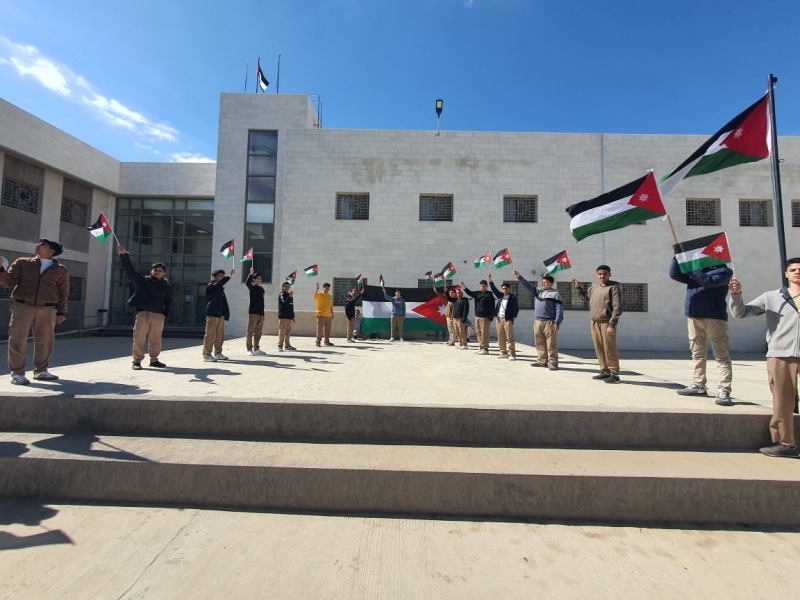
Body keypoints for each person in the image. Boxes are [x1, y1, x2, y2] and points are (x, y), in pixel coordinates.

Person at [728, 261, 800, 458]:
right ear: (786, 274)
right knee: (782, 402)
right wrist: (736, 295)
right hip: (781, 354)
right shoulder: (773, 297)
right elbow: (740, 312)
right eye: (793, 270)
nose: (797, 272)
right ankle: (787, 444)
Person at [0, 239, 69, 384]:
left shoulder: (61, 270)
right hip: (23, 306)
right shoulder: (22, 262)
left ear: (51, 251)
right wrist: (1, 270)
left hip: (48, 309)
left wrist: (61, 312)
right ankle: (17, 374)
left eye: (42, 245)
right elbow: (9, 282)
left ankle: (41, 371)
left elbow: (63, 292)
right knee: (17, 339)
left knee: (45, 341)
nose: (37, 246)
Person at [669, 258, 734, 405]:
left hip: (714, 317)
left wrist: (692, 267)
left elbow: (707, 281)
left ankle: (724, 389)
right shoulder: (697, 272)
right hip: (693, 316)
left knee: (721, 355)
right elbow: (674, 274)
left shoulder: (724, 271)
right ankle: (698, 384)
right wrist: (677, 258)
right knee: (697, 353)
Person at [118, 245, 172, 370]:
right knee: (139, 338)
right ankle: (137, 361)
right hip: (143, 313)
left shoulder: (166, 286)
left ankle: (154, 360)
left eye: (160, 271)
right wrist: (124, 255)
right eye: (155, 270)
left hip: (158, 315)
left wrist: (165, 314)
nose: (157, 272)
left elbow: (168, 301)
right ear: (151, 271)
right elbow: (130, 271)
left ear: (163, 273)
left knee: (156, 339)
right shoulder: (143, 281)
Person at [572, 265, 623, 383]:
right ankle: (605, 371)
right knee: (599, 348)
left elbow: (617, 308)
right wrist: (578, 288)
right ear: (596, 275)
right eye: (600, 274)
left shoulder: (614, 288)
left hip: (607, 323)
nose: (602, 276)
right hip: (595, 322)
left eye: (605, 274)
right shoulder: (594, 288)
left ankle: (614, 374)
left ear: (609, 274)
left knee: (609, 348)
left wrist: (612, 324)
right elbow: (585, 298)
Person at [514, 269, 563, 370]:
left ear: (551, 283)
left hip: (550, 322)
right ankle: (542, 361)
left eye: (546, 282)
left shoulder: (556, 294)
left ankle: (553, 363)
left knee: (551, 344)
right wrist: (519, 276)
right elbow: (527, 285)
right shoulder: (538, 291)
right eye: (542, 282)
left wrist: (557, 322)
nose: (543, 284)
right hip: (538, 322)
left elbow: (559, 309)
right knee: (539, 342)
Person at [203, 268, 233, 362]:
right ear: (215, 277)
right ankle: (207, 355)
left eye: (223, 276)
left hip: (220, 314)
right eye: (220, 276)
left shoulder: (220, 289)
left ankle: (218, 353)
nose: (221, 278)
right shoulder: (212, 285)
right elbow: (219, 284)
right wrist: (229, 277)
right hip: (212, 313)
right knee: (210, 335)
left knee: (219, 335)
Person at [487, 273, 519, 360]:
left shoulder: (512, 298)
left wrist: (511, 318)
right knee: (500, 336)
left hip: (507, 319)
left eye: (506, 288)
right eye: (503, 289)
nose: (504, 290)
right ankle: (503, 352)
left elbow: (516, 309)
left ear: (509, 289)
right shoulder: (500, 296)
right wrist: (490, 280)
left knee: (510, 337)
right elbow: (494, 289)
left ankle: (512, 354)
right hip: (499, 318)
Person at [462, 279, 496, 355]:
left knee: (484, 333)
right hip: (477, 316)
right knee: (478, 332)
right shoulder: (477, 293)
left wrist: (490, 317)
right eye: (481, 286)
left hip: (485, 318)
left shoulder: (489, 295)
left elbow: (492, 307)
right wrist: (464, 287)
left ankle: (485, 348)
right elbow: (469, 293)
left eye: (484, 286)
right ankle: (481, 347)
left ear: (486, 286)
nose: (482, 287)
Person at [245, 268, 266, 356]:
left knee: (258, 332)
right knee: (250, 331)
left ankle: (256, 348)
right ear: (254, 280)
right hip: (253, 312)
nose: (260, 280)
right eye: (258, 279)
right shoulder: (252, 288)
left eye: (260, 279)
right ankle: (249, 349)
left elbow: (262, 303)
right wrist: (250, 274)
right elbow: (247, 283)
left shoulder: (262, 289)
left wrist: (263, 314)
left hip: (260, 313)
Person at [314, 282, 334, 347]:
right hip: (321, 315)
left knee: (328, 329)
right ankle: (318, 341)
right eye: (326, 288)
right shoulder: (320, 294)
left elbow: (331, 306)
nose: (327, 289)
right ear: (323, 288)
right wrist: (317, 288)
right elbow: (315, 296)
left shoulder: (330, 296)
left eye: (328, 288)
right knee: (320, 329)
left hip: (328, 315)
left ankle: (326, 341)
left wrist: (332, 313)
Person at [278, 281, 296, 351]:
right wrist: (289, 297)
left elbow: (291, 306)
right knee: (282, 332)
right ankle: (280, 345)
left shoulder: (289, 295)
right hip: (283, 316)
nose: (287, 287)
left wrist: (293, 316)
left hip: (289, 317)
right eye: (286, 286)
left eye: (288, 286)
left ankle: (287, 345)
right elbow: (283, 302)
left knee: (288, 332)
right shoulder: (282, 294)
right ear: (283, 287)